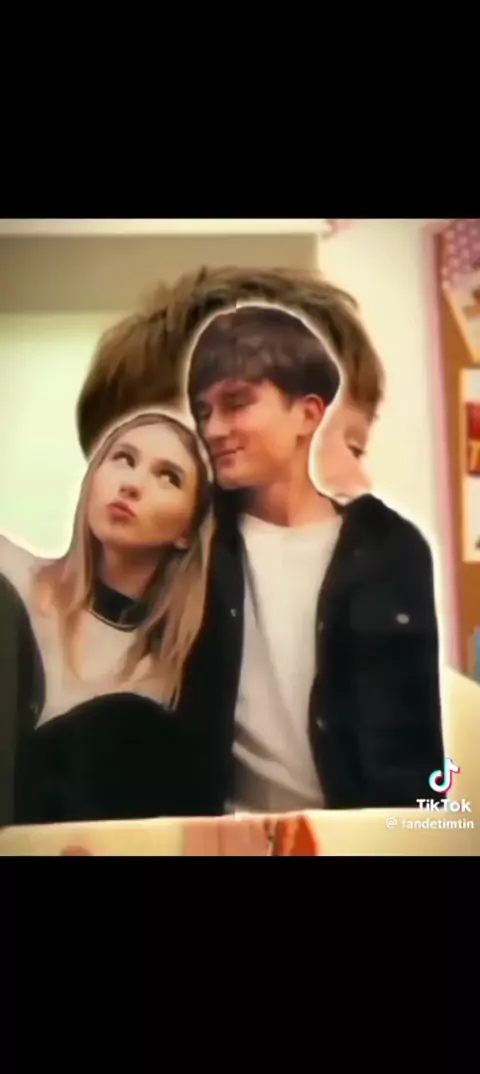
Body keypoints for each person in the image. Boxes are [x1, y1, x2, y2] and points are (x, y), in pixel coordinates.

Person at [74, 267, 444, 812]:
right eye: (204, 416)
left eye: (355, 446)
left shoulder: (390, 551)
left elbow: (413, 764)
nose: (359, 478)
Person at [0, 408, 231, 826]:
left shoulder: (170, 679)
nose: (132, 484)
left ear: (186, 531)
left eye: (168, 477)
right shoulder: (9, 578)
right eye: (123, 458)